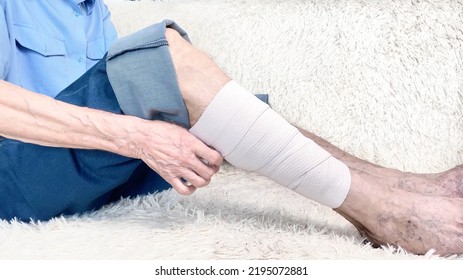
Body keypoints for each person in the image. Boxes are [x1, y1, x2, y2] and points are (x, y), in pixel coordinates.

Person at [1, 2, 462, 256]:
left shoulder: (90, 11)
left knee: (225, 110)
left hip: (71, 168)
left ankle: (400, 186)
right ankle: (391, 215)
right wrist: (135, 136)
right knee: (159, 57)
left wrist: (159, 118)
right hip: (14, 174)